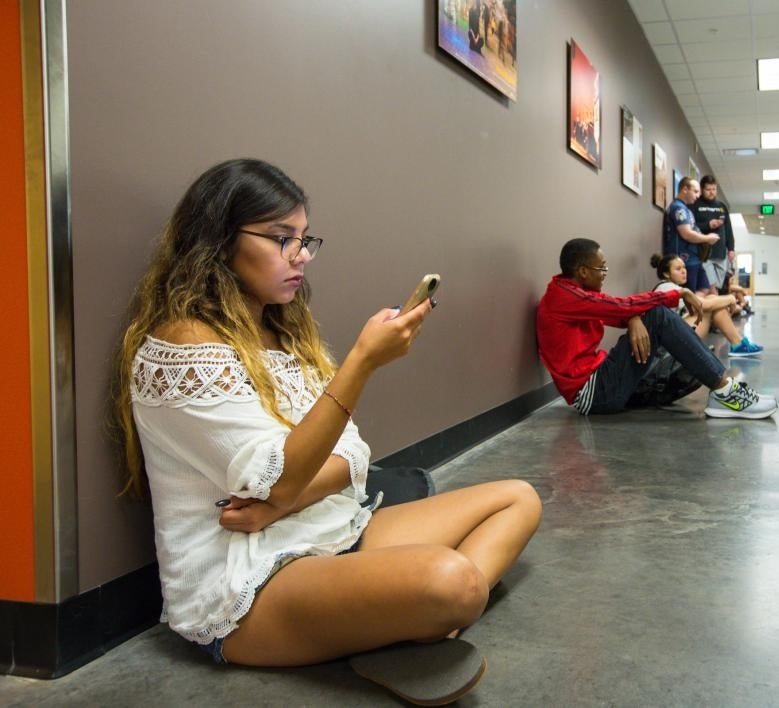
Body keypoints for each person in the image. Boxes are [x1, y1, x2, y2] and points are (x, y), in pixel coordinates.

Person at [112, 159, 540, 702]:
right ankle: (405, 626)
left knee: (518, 498)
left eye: (304, 238)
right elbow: (283, 476)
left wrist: (283, 503)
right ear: (219, 241)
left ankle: (400, 633)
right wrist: (361, 364)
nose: (303, 255)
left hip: (327, 533)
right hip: (249, 585)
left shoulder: (280, 333)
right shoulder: (184, 346)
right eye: (281, 238)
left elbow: (354, 453)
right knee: (454, 581)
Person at [535, 238, 777, 419]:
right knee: (659, 315)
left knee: (680, 365)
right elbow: (619, 306)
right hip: (593, 393)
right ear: (583, 271)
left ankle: (721, 389)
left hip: (601, 379)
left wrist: (632, 319)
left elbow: (617, 310)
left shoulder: (575, 293)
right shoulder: (564, 297)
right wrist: (678, 293)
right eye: (602, 268)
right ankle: (724, 392)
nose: (605, 274)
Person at [650, 253, 763, 356]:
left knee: (712, 300)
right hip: (668, 346)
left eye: (684, 267)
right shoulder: (667, 287)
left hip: (672, 337)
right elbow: (702, 304)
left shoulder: (671, 286)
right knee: (711, 305)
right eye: (678, 269)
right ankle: (738, 344)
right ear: (666, 273)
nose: (684, 271)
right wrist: (730, 299)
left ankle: (738, 343)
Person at [663, 177, 719, 295]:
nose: (698, 196)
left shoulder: (686, 209)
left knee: (705, 288)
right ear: (684, 189)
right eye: (695, 191)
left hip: (694, 258)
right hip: (684, 261)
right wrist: (708, 238)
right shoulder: (678, 208)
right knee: (689, 294)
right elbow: (686, 233)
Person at [691, 175, 735, 295]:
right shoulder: (695, 205)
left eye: (714, 189)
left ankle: (713, 310)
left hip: (721, 254)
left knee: (716, 288)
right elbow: (690, 228)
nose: (711, 192)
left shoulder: (721, 207)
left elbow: (728, 229)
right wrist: (708, 225)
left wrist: (731, 249)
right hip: (704, 254)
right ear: (702, 189)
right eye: (708, 189)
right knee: (711, 288)